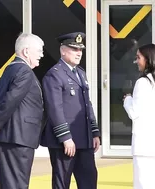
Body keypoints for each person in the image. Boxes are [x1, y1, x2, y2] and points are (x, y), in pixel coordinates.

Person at [0, 33, 45, 189]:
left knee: (9, 184)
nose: (42, 54)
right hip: (18, 138)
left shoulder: (10, 69)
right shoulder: (24, 71)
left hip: (9, 137)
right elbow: (10, 100)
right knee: (16, 184)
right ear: (26, 52)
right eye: (39, 50)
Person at [41, 32, 100, 189]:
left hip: (84, 140)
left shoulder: (80, 73)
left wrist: (94, 132)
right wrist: (65, 137)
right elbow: (55, 109)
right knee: (62, 183)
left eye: (80, 49)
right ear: (63, 50)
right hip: (65, 142)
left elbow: (87, 105)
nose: (79, 53)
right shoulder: (55, 74)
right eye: (74, 49)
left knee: (89, 179)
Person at [123, 43, 155, 189]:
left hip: (144, 143)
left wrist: (127, 100)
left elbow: (134, 112)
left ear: (148, 59)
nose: (136, 61)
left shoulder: (143, 82)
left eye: (138, 57)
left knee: (143, 184)